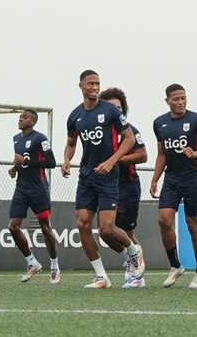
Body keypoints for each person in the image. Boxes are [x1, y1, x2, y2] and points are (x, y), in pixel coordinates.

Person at [61, 70, 143, 289]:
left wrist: (112, 161)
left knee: (107, 229)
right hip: (86, 176)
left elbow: (129, 138)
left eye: (97, 83)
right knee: (82, 224)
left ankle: (134, 251)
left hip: (108, 177)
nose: (95, 87)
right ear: (81, 86)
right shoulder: (75, 115)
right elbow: (71, 143)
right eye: (90, 84)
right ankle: (101, 277)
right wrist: (66, 160)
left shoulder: (110, 111)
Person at [149, 84, 197, 289]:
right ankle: (175, 266)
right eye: (176, 99)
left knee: (192, 224)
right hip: (171, 178)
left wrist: (195, 153)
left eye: (183, 98)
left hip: (192, 177)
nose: (180, 102)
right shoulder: (159, 123)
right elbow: (162, 153)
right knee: (163, 219)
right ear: (167, 100)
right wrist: (154, 178)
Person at [102, 88, 149, 288]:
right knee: (105, 231)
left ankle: (136, 276)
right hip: (104, 186)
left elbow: (143, 155)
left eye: (119, 107)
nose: (116, 110)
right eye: (112, 107)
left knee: (127, 232)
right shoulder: (99, 132)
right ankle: (131, 258)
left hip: (128, 185)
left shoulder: (130, 130)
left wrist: (116, 159)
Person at [7, 109, 60, 284]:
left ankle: (54, 266)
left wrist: (26, 162)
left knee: (45, 228)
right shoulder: (16, 138)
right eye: (20, 117)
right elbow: (21, 161)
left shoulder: (40, 139)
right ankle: (32, 262)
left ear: (33, 122)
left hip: (39, 190)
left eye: (25, 117)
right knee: (13, 227)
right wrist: (15, 168)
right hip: (21, 189)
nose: (20, 119)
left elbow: (51, 162)